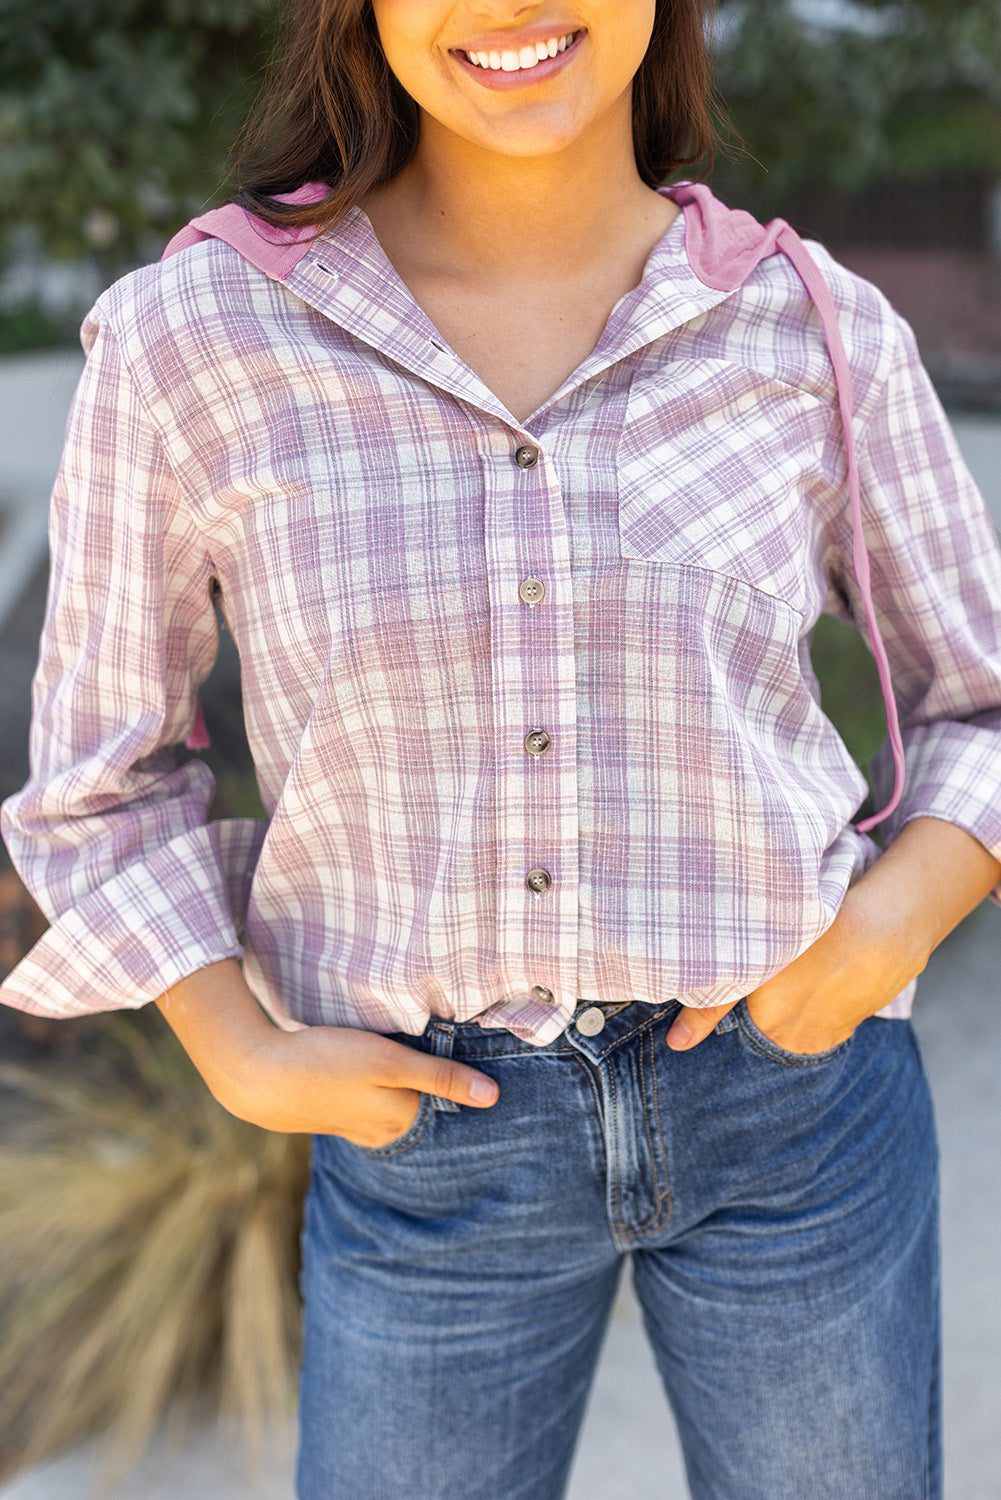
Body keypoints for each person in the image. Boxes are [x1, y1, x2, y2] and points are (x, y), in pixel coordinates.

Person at [3, 1, 1001, 1495]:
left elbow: (977, 695)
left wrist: (879, 934)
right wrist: (236, 1046)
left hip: (795, 1117)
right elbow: (100, 770)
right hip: (422, 1142)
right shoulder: (195, 337)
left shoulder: (812, 323)